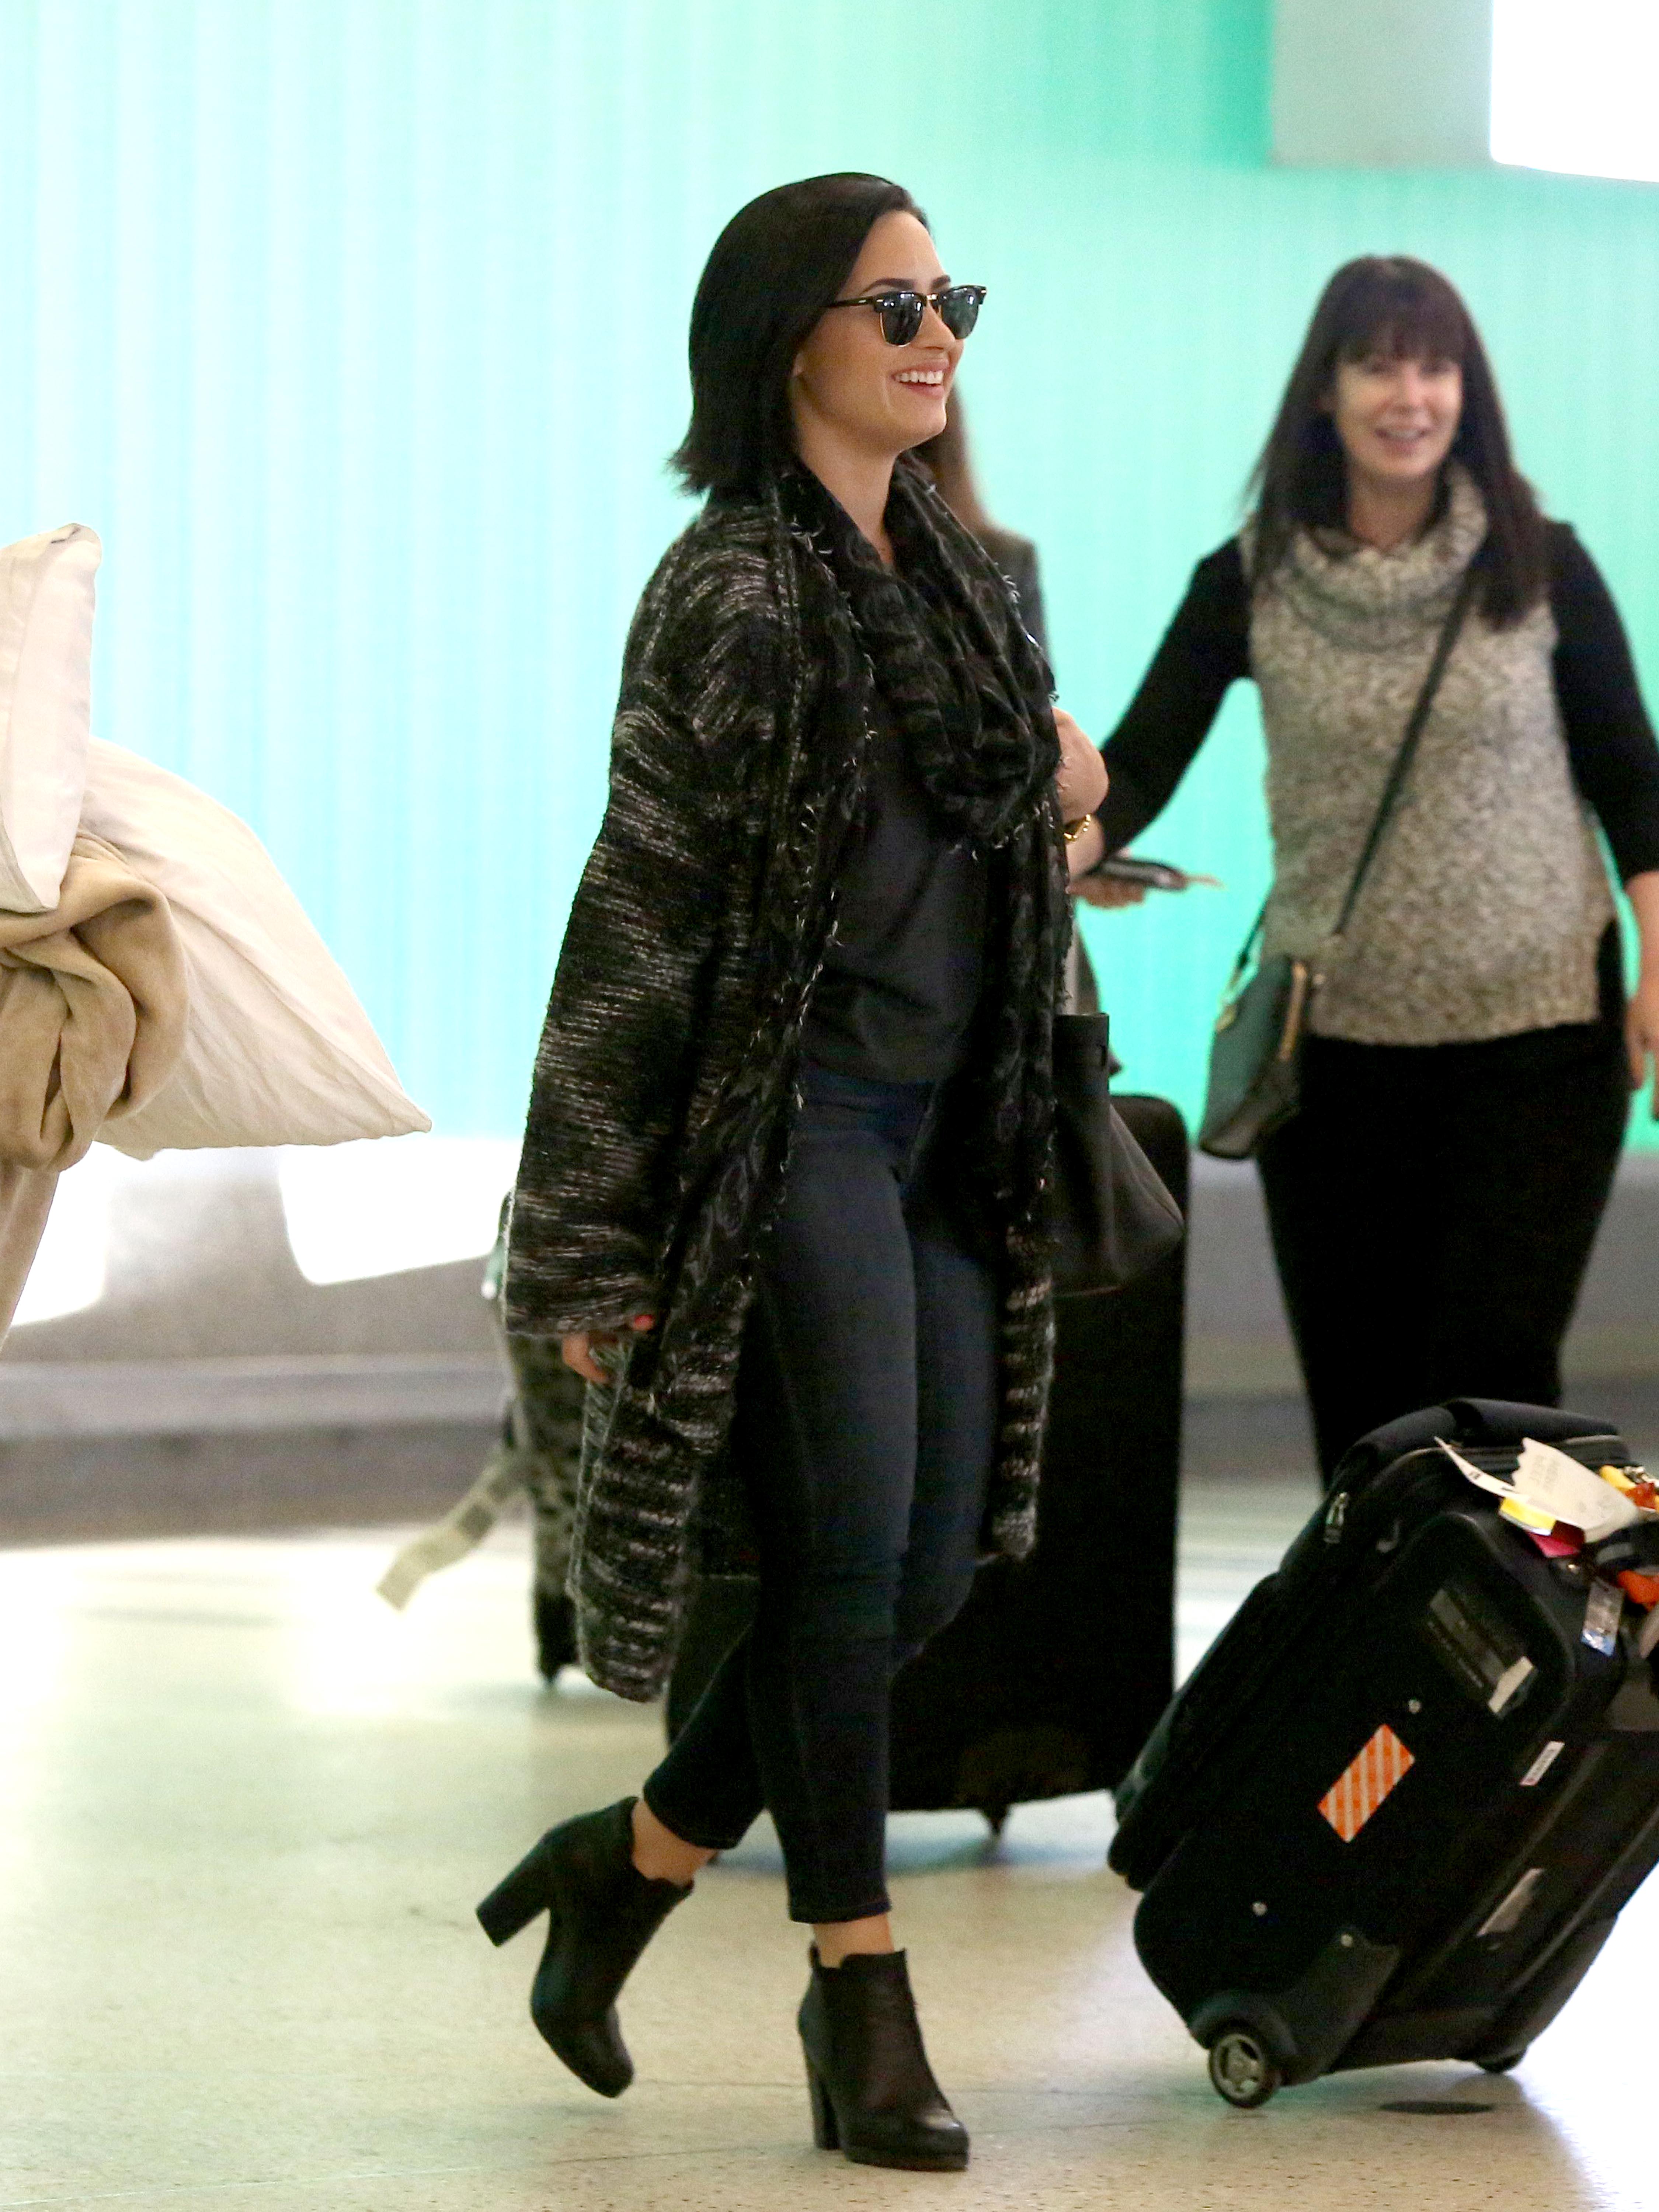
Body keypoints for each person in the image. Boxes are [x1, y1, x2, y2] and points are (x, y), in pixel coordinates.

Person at [482, 173, 1107, 2172]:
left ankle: (629, 1865)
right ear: (787, 343)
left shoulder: (964, 576)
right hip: (803, 1128)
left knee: (920, 1571)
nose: (937, 337)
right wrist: (588, 1251)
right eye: (892, 306)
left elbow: (1006, 838)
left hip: (948, 1128)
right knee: (841, 1561)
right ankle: (860, 1989)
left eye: (950, 299)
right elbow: (639, 920)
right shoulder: (733, 595)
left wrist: (1070, 790)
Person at [1095, 254, 1659, 1481]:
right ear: (1325, 391)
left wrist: (1656, 969)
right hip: (1333, 1057)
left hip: (1538, 1044)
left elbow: (1636, 786)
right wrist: (1057, 847)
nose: (1409, 397)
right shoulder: (1246, 578)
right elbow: (1134, 768)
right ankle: (1371, 1615)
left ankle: (1501, 1614)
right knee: (1359, 1412)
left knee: (1496, 1396)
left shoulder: (1538, 563)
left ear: (1466, 391)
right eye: (1377, 367)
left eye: (1434, 368)